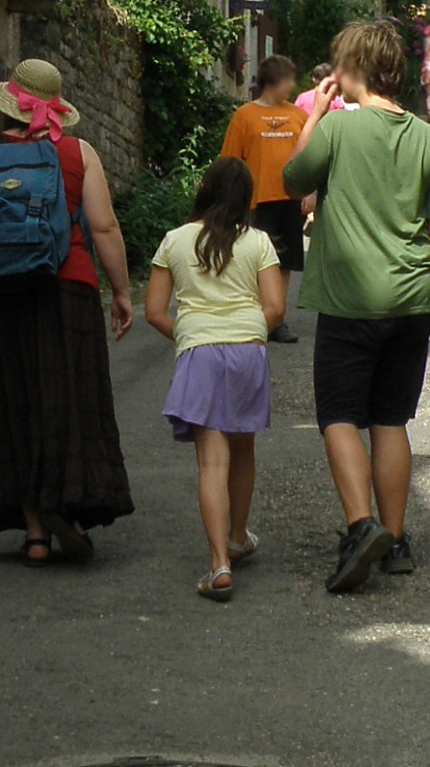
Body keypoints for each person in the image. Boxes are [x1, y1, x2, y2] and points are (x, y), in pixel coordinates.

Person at [280, 18, 430, 593]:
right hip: (411, 299)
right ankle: (398, 540)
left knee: (337, 416)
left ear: (354, 69)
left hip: (350, 300)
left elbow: (292, 181)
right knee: (390, 419)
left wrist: (314, 116)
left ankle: (361, 527)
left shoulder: (337, 131)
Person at [0, 58, 135, 562]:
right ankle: (66, 507)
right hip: (64, 286)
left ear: (6, 99)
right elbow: (105, 227)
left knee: (11, 402)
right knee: (68, 401)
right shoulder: (77, 152)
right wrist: (121, 291)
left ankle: (33, 534)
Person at [144, 156, 286, 601]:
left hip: (199, 352)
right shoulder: (259, 242)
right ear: (246, 199)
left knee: (211, 462)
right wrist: (246, 331)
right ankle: (238, 536)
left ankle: (218, 565)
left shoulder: (174, 241)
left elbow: (154, 311)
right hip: (248, 351)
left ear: (203, 189)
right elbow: (276, 308)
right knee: (243, 449)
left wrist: (189, 335)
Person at [221, 55, 307, 341]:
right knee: (255, 260)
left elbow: (311, 157)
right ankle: (254, 316)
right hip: (256, 201)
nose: (292, 86)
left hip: (290, 199)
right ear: (274, 81)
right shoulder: (244, 116)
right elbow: (230, 161)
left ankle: (276, 319)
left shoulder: (298, 116)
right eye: (289, 80)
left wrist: (311, 192)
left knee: (285, 261)